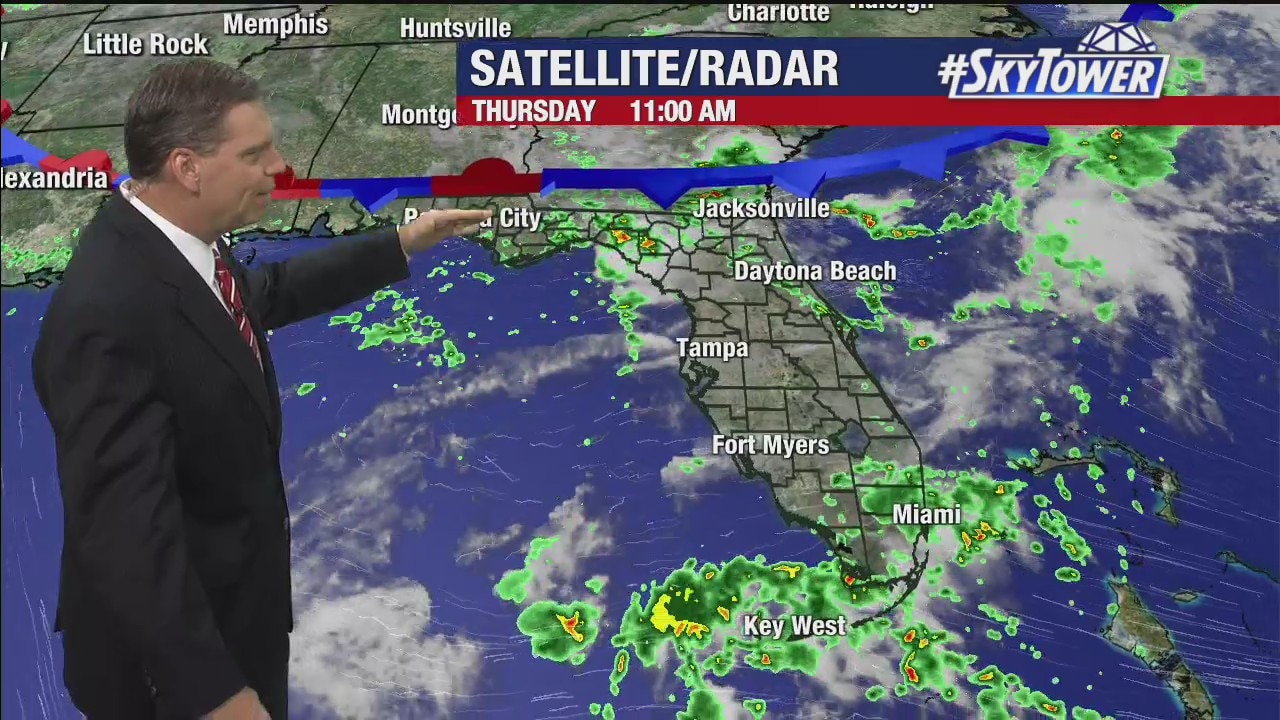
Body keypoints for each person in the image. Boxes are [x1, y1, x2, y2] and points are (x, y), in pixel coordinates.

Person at [31, 59, 490, 719]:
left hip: (234, 621)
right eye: (254, 154)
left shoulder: (171, 241)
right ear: (188, 168)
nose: (279, 166)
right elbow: (126, 533)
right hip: (169, 677)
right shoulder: (106, 315)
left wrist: (398, 246)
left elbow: (254, 297)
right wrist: (214, 692)